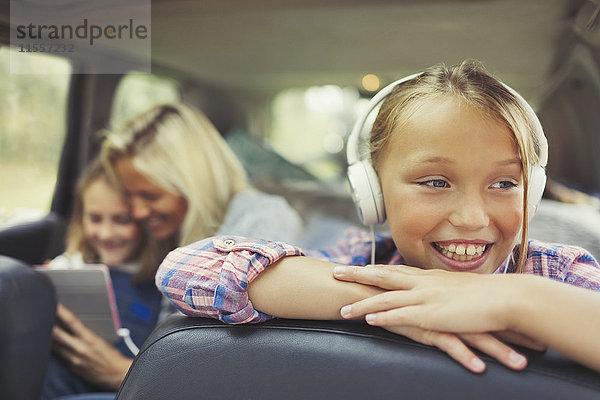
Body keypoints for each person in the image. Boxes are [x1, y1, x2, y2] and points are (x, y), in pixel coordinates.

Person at [155, 61, 600, 374]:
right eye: (435, 182)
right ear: (372, 193)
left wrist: (517, 300)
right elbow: (183, 269)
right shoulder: (363, 259)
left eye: (504, 184)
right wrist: (402, 302)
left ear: (534, 192)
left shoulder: (557, 272)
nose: (469, 218)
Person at [43, 103, 303, 399]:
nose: (137, 212)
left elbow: (235, 369)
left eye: (150, 196)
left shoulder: (261, 222)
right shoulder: (173, 227)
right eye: (130, 195)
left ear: (193, 183)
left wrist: (121, 372)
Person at [42, 157, 161, 397]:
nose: (106, 233)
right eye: (95, 219)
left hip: (123, 385)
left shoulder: (159, 279)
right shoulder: (72, 263)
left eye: (121, 220)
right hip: (65, 369)